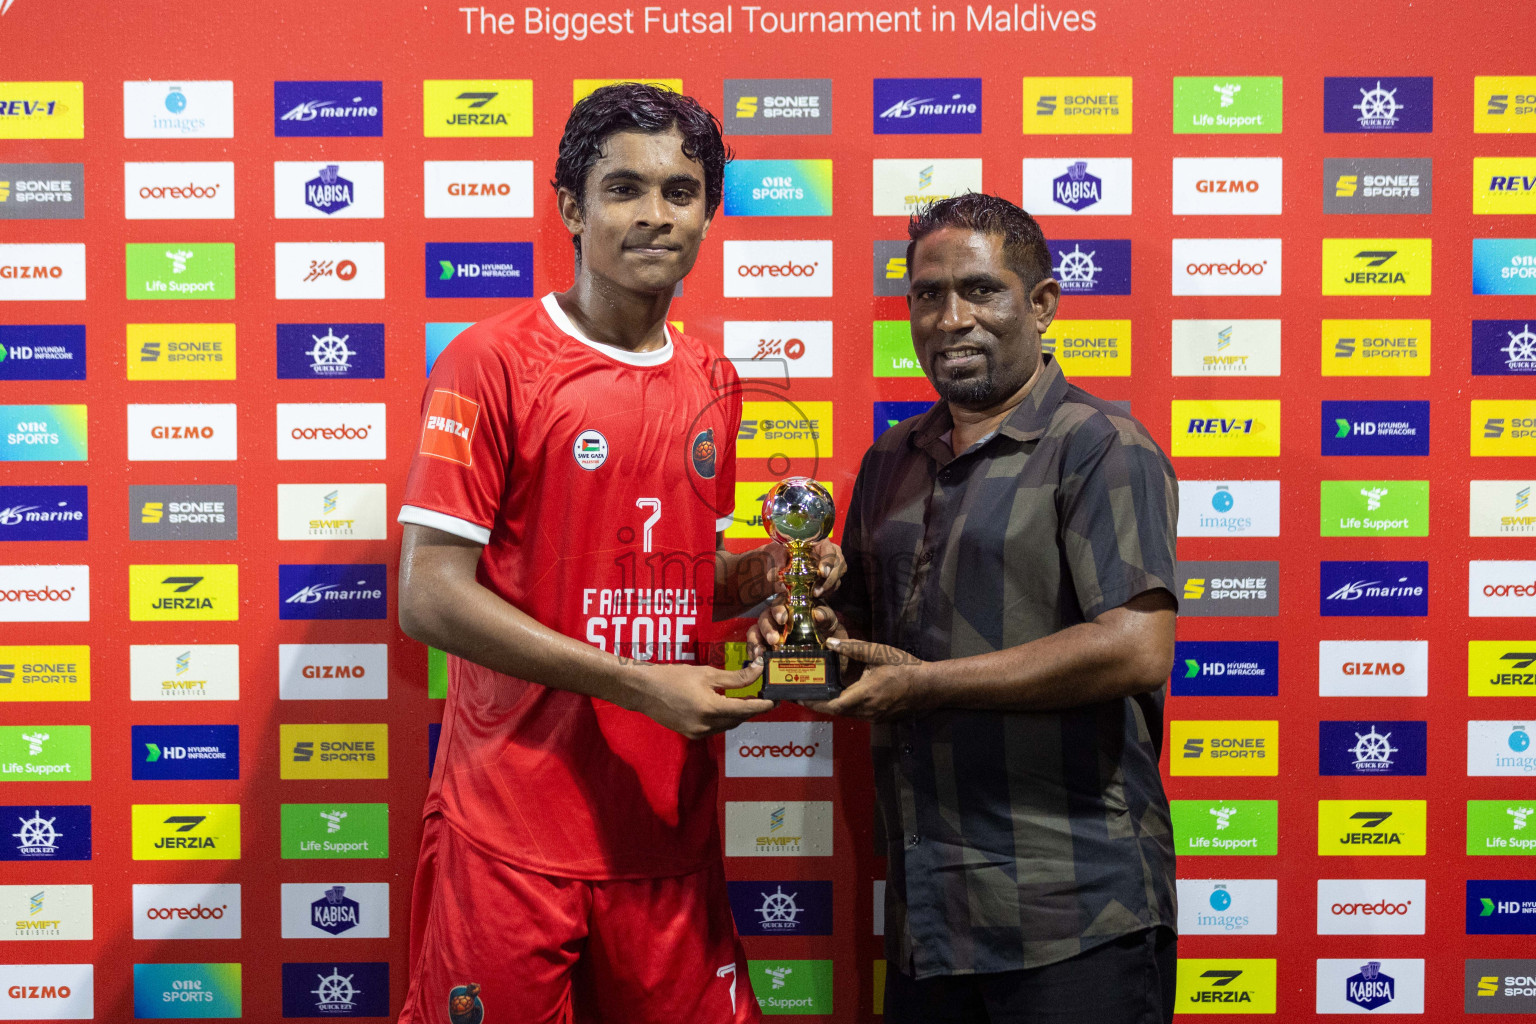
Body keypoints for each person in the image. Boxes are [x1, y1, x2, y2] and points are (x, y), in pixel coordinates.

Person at [394, 83, 839, 1024]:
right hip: (510, 828)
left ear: (710, 214)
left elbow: (671, 577)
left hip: (663, 831)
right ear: (570, 206)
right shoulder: (492, 360)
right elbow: (429, 596)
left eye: (680, 193)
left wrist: (773, 575)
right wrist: (638, 687)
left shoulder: (713, 375)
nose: (654, 215)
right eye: (623, 189)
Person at [753, 193, 1180, 1024]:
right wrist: (812, 631)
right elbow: (869, 639)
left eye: (981, 291)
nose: (951, 319)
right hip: (931, 914)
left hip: (1073, 915)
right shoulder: (890, 460)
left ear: (1042, 304)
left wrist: (928, 686)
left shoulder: (1101, 447)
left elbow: (1135, 647)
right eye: (928, 294)